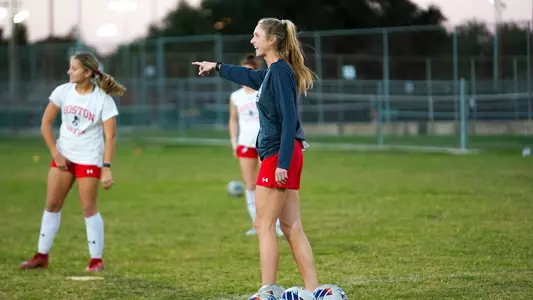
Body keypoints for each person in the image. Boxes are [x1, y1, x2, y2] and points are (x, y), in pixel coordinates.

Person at [193, 18, 319, 295]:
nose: (253, 41)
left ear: (272, 40)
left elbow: (289, 120)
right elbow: (248, 76)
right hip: (283, 153)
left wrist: (282, 163)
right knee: (290, 226)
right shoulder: (273, 72)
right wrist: (216, 67)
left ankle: (267, 290)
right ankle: (314, 291)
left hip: (279, 155)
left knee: (263, 224)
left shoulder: (281, 72)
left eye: (256, 35)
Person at [19, 52, 126, 272]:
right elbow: (45, 124)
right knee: (52, 206)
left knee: (88, 208)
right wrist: (55, 153)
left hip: (89, 158)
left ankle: (96, 260)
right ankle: (41, 256)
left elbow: (111, 137)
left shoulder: (102, 99)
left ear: (87, 72)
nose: (69, 72)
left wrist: (106, 168)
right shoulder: (63, 91)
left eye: (74, 68)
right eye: (70, 67)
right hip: (64, 157)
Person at [229, 53, 283, 237]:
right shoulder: (236, 96)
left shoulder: (263, 92)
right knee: (251, 184)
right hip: (245, 143)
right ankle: (257, 223)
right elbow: (233, 120)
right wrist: (233, 141)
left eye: (250, 72)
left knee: (267, 184)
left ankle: (274, 224)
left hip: (265, 144)